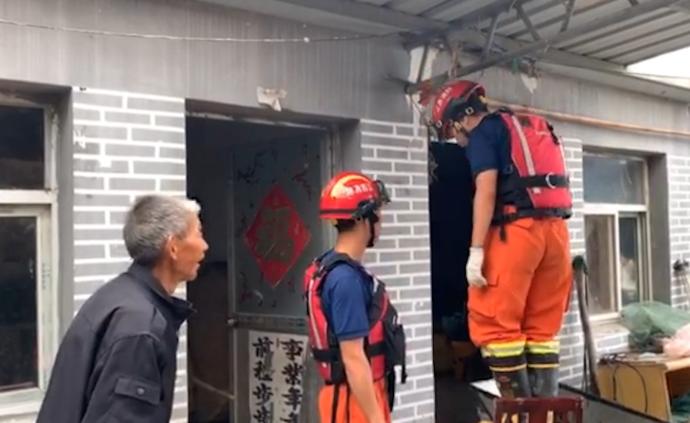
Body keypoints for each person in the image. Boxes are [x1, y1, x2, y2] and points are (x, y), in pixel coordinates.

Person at [431, 80, 573, 398]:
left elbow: (486, 190)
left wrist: (476, 250)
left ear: (461, 117)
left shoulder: (484, 133)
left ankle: (519, 414)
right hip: (556, 234)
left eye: (452, 130)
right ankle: (544, 413)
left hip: (516, 233)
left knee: (494, 322)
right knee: (542, 327)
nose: (455, 138)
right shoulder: (519, 128)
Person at [37, 195, 208, 422]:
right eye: (199, 233)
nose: (205, 246)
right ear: (173, 247)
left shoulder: (118, 295)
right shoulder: (140, 326)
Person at [304, 171, 405, 423]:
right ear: (362, 221)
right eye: (378, 217)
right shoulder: (345, 280)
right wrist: (375, 418)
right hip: (354, 403)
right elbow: (354, 357)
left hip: (352, 396)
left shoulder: (332, 269)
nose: (380, 224)